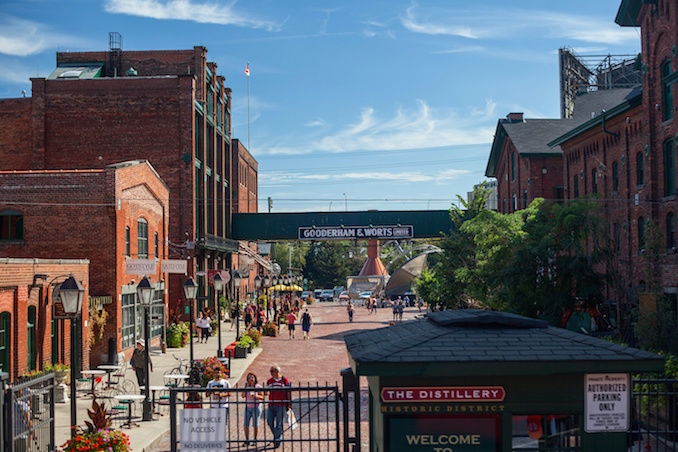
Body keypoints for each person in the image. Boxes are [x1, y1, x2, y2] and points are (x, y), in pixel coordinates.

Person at [266, 365, 291, 449]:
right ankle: (277, 436)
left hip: (281, 404)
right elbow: (267, 392)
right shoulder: (269, 381)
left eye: (272, 371)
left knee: (279, 423)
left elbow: (288, 392)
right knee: (269, 421)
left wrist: (289, 403)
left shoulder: (284, 380)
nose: (270, 373)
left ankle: (277, 439)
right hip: (271, 404)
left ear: (277, 371)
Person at [242, 372, 264, 446]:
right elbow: (243, 396)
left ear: (255, 378)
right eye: (249, 378)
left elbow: (262, 397)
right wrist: (246, 389)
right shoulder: (247, 387)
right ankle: (247, 440)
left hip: (256, 407)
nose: (250, 379)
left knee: (255, 425)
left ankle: (255, 440)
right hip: (248, 407)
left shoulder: (258, 387)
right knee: (246, 424)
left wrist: (256, 396)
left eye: (252, 377)